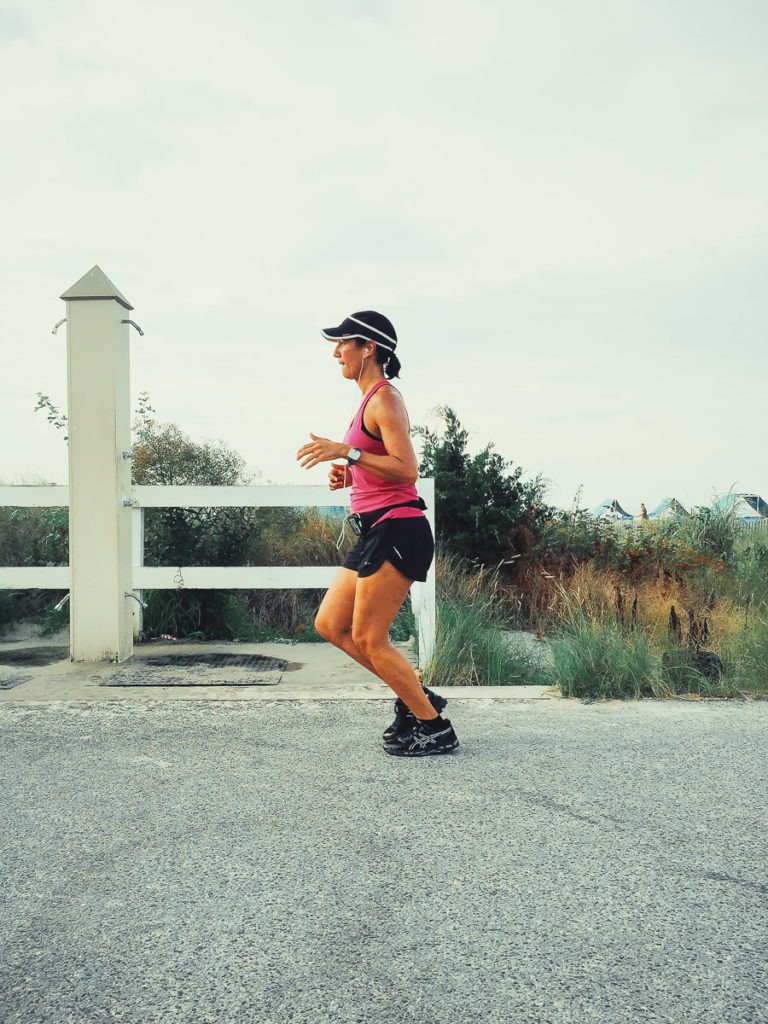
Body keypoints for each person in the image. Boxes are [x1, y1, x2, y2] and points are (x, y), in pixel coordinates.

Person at [296, 311, 459, 757]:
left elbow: (408, 469)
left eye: (343, 343)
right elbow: (381, 466)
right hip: (375, 528)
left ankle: (433, 725)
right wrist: (349, 477)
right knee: (330, 624)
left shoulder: (385, 399)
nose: (335, 352)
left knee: (370, 637)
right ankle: (416, 697)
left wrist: (347, 452)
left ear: (368, 348)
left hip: (399, 528)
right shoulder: (367, 399)